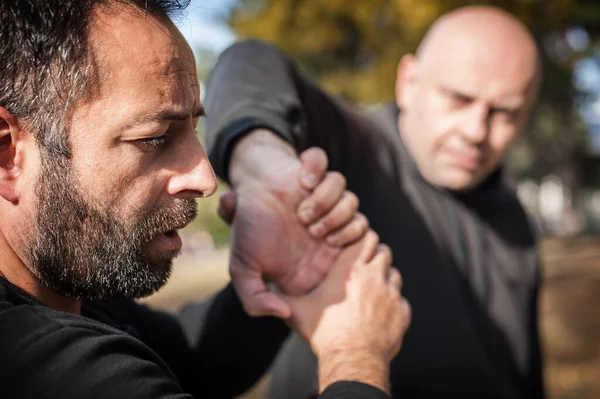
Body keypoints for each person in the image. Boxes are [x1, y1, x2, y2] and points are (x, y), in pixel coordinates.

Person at [0, 1, 412, 398]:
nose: (206, 178)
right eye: (154, 138)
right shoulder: (36, 362)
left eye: (194, 129)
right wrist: (356, 359)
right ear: (7, 153)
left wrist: (286, 273)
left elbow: (190, 358)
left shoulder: (65, 292)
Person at [204, 4, 545, 399]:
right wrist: (261, 161)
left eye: (504, 113)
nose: (475, 131)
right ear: (409, 82)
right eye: (458, 99)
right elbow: (248, 62)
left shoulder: (514, 219)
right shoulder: (355, 153)